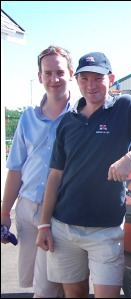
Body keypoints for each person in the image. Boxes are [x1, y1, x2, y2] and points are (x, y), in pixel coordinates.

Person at [35, 52, 131, 298]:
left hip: (105, 229)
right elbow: (54, 176)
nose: (91, 85)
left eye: (98, 79)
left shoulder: (125, 107)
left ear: (110, 79)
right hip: (64, 227)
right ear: (77, 80)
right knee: (74, 294)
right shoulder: (68, 121)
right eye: (84, 79)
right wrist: (44, 224)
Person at [1, 45, 74, 298]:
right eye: (48, 73)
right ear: (40, 75)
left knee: (53, 285)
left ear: (71, 73)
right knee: (41, 282)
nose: (54, 79)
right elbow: (15, 170)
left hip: (58, 211)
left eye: (59, 72)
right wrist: (4, 213)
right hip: (27, 208)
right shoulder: (27, 119)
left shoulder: (80, 116)